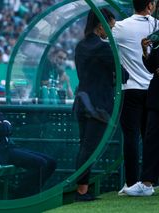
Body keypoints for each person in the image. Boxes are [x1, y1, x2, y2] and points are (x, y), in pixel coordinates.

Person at [0, 69, 56, 197]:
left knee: (51, 162)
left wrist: (4, 126)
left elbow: (3, 125)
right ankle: (21, 196)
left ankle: (25, 194)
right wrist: (5, 126)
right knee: (42, 164)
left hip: (7, 148)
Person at [112, 0, 157, 195]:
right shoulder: (157, 26)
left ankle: (131, 183)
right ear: (149, 5)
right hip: (154, 89)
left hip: (131, 89)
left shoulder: (120, 27)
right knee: (151, 138)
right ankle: (150, 181)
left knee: (130, 138)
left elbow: (102, 35)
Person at [73, 8, 117, 201]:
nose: (110, 32)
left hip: (82, 102)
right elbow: (123, 74)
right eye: (110, 27)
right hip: (98, 106)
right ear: (101, 25)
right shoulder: (104, 48)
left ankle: (82, 187)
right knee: (90, 148)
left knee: (84, 146)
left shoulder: (80, 46)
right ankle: (82, 190)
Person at [123, 34, 159, 196]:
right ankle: (147, 182)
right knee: (151, 139)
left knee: (152, 139)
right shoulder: (157, 37)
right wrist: (145, 50)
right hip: (156, 96)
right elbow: (152, 67)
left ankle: (146, 183)